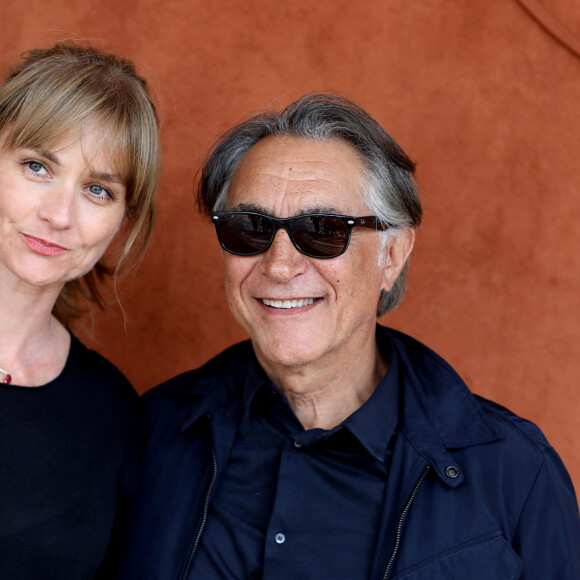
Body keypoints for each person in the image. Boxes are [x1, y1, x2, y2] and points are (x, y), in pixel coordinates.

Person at [118, 94, 580, 579]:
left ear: (393, 255)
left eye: (322, 230)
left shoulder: (515, 474)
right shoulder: (149, 434)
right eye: (250, 228)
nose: (279, 265)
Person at [0, 43, 160, 579]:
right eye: (37, 166)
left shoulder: (112, 414)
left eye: (97, 189)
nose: (59, 216)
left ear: (122, 218)